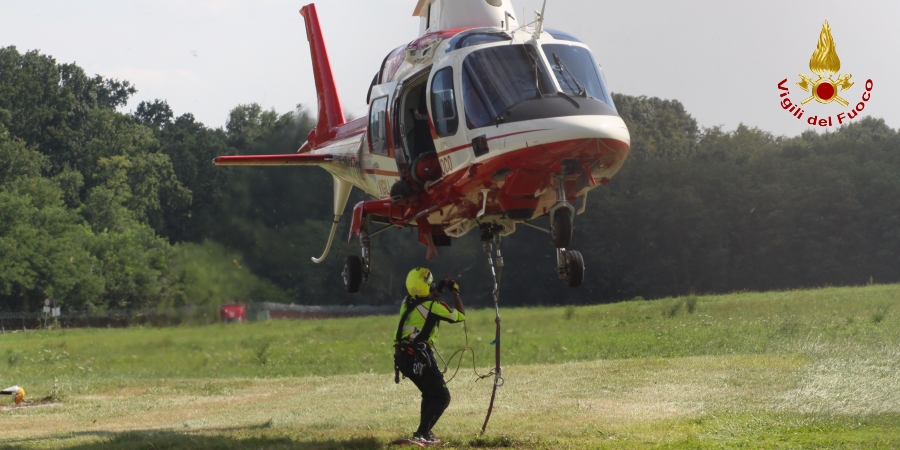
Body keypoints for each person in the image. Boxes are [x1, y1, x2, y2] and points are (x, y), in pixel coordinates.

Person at [393, 267, 465, 445]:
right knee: (442, 397)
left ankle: (424, 432)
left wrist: (439, 287)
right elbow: (460, 316)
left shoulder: (407, 302)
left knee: (429, 394)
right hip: (418, 356)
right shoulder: (433, 307)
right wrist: (455, 292)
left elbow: (427, 300)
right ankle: (422, 433)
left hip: (403, 357)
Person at [390, 179, 439, 260]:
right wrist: (430, 244)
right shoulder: (415, 206)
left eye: (407, 202)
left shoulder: (420, 172)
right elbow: (423, 224)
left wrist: (435, 178)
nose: (410, 205)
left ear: (408, 192)